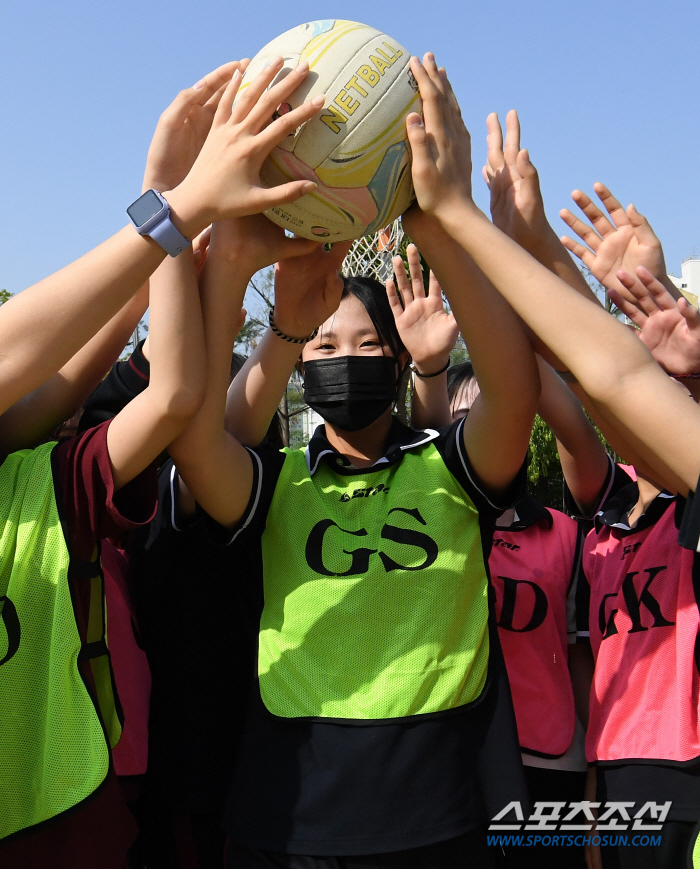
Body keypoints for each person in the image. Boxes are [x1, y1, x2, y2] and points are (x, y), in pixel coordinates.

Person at [167, 103, 542, 862]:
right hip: (289, 814)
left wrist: (439, 225)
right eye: (326, 344)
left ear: (399, 362)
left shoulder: (452, 467)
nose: (345, 356)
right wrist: (259, 299)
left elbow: (512, 391)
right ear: (301, 369)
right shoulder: (275, 483)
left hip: (445, 807)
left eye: (368, 343)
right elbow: (198, 440)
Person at [0, 56, 330, 869]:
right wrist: (169, 205)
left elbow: (184, 402)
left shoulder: (42, 473)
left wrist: (183, 233)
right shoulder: (44, 472)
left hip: (115, 783)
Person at [410, 63, 700, 867]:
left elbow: (615, 382)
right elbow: (595, 384)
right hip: (605, 760)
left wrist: (485, 231)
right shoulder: (608, 510)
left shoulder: (649, 506)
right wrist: (520, 245)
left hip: (669, 765)